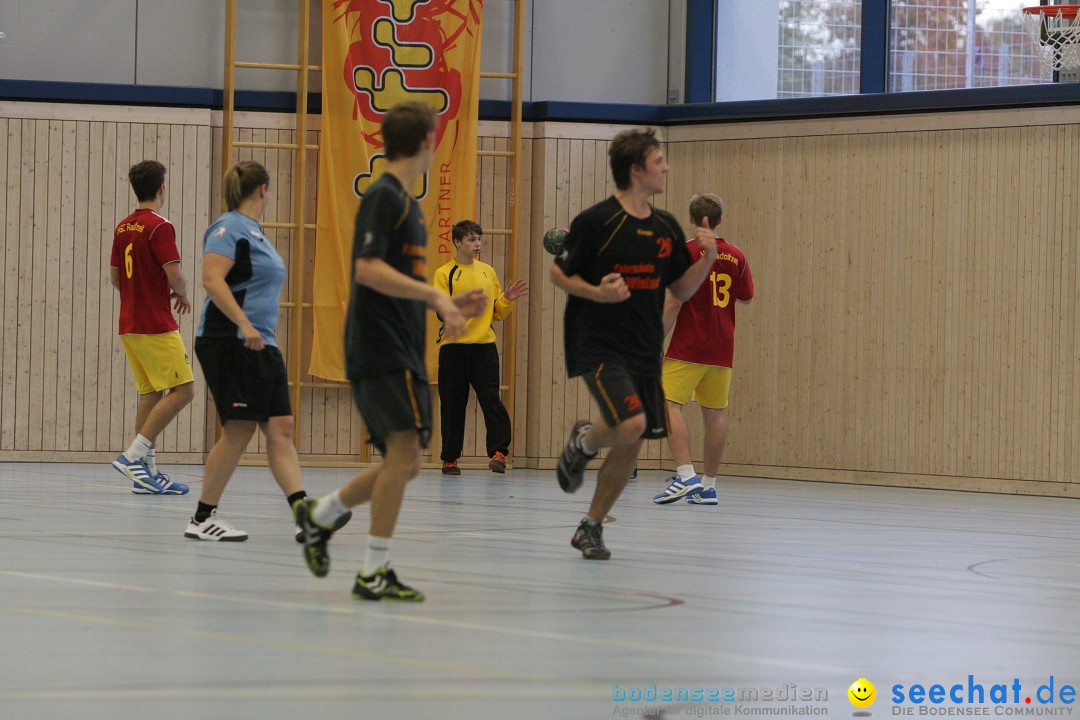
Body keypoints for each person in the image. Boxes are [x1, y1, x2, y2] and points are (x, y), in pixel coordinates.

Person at [293, 102, 487, 601]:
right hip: (378, 346)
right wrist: (435, 295)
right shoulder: (384, 196)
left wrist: (444, 301)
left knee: (406, 459)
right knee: (404, 453)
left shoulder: (408, 204)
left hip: (398, 341)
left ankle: (322, 516)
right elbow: (367, 269)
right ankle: (371, 570)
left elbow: (396, 283)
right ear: (426, 139)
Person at [550, 128, 719, 560]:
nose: (666, 167)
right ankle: (587, 440)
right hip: (598, 341)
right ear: (636, 169)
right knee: (630, 424)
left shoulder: (665, 227)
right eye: (659, 160)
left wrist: (708, 260)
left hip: (644, 346)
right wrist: (595, 292)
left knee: (632, 439)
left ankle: (589, 526)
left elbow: (680, 290)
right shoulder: (596, 222)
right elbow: (559, 273)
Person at [184, 160, 349, 542]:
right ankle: (201, 518)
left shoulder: (256, 233)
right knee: (239, 429)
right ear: (263, 189)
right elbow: (211, 279)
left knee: (280, 427)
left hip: (262, 343)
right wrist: (243, 325)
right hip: (230, 340)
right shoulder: (228, 228)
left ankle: (304, 514)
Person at [653, 193, 754, 506]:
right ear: (720, 220)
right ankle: (709, 486)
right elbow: (746, 297)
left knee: (668, 405)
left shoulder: (684, 254)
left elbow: (674, 301)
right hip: (722, 347)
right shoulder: (736, 255)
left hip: (689, 345)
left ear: (692, 219)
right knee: (714, 415)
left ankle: (686, 476)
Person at [109, 160, 194, 495]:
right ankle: (133, 456)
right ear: (162, 187)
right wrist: (181, 293)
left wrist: (139, 291)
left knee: (150, 393)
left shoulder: (123, 227)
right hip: (156, 324)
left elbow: (115, 278)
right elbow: (176, 275)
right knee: (185, 391)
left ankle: (146, 475)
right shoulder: (160, 226)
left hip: (129, 323)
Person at [433, 220, 528, 475]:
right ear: (457, 242)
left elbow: (496, 313)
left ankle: (498, 452)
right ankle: (450, 458)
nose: (477, 245)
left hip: (484, 347)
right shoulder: (444, 273)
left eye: (479, 239)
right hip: (454, 349)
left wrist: (506, 298)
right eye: (472, 240)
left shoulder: (488, 271)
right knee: (453, 404)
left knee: (490, 398)